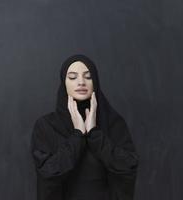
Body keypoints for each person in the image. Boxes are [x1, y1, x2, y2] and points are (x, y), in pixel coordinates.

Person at [31, 54, 139, 200]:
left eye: (88, 77)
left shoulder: (113, 123)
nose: (81, 82)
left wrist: (95, 134)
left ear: (95, 82)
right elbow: (47, 174)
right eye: (73, 77)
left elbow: (128, 167)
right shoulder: (46, 126)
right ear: (64, 83)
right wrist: (78, 135)